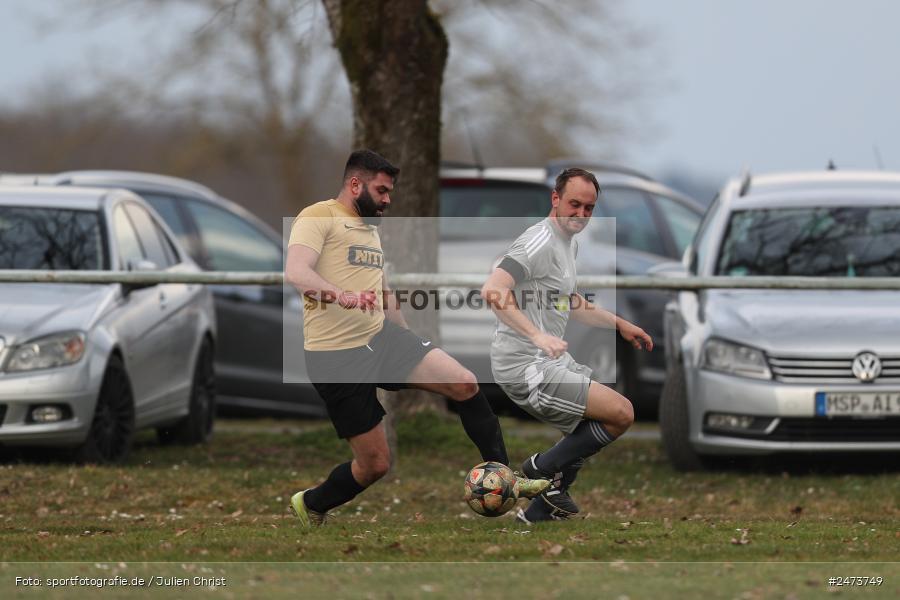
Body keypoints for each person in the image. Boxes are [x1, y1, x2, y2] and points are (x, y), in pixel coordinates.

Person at [284, 149, 549, 529]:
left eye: (390, 191)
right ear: (355, 184)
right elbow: (297, 273)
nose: (388, 199)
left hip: (382, 340)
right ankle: (311, 502)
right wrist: (341, 295)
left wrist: (407, 340)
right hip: (336, 358)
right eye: (382, 190)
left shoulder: (368, 230)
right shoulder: (317, 216)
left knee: (465, 383)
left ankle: (507, 476)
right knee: (375, 465)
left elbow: (383, 291)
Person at [481, 167, 654, 524]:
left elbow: (568, 302)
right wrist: (536, 335)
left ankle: (541, 511)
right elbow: (493, 291)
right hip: (524, 364)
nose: (581, 215)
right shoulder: (539, 241)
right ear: (555, 199)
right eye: (574, 204)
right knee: (621, 413)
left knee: (585, 428)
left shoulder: (567, 243)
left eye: (589, 208)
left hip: (545, 359)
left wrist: (620, 324)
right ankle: (540, 467)